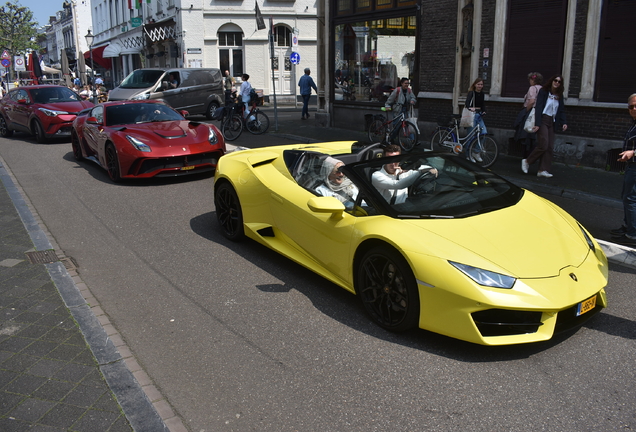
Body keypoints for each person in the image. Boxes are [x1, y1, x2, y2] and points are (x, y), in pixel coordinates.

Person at [522, 75, 568, 178]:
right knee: (544, 144)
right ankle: (527, 161)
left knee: (550, 147)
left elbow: (561, 110)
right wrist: (537, 123)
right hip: (543, 119)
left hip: (552, 121)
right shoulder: (543, 92)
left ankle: (543, 170)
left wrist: (563, 122)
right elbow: (538, 107)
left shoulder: (559, 95)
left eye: (559, 82)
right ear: (551, 81)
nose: (556, 83)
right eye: (555, 80)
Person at [371, 144, 438, 205]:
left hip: (403, 209)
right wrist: (420, 172)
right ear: (384, 160)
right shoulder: (377, 175)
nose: (392, 163)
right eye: (389, 160)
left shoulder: (404, 172)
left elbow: (427, 168)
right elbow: (397, 185)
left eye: (396, 159)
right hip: (385, 211)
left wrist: (432, 169)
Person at [610, 93, 636, 246]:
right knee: (627, 197)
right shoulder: (634, 123)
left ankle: (632, 235)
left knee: (631, 199)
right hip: (631, 166)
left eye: (635, 105)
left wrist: (633, 153)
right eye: (630, 106)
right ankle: (627, 227)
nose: (633, 109)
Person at [514, 72, 543, 157]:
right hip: (538, 114)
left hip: (530, 112)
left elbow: (532, 101)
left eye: (530, 79)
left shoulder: (532, 88)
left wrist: (526, 110)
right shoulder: (542, 88)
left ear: (533, 80)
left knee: (525, 132)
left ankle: (526, 156)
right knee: (532, 134)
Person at [464, 78, 487, 162]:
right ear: (475, 85)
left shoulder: (482, 94)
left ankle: (476, 152)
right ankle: (468, 155)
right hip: (472, 115)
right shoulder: (472, 93)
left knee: (484, 133)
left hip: (479, 115)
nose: (480, 86)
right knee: (470, 136)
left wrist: (484, 111)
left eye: (481, 84)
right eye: (478, 84)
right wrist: (471, 108)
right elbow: (467, 103)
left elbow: (482, 104)